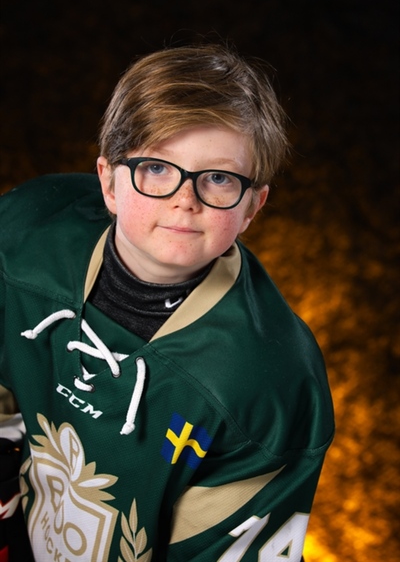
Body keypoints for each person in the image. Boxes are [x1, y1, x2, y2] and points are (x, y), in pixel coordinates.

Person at [0, 43, 334, 562]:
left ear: (253, 205)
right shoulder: (21, 238)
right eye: (156, 167)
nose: (185, 199)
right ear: (108, 181)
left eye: (219, 178)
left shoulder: (268, 383)